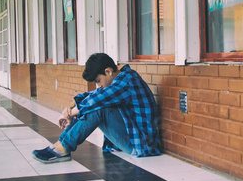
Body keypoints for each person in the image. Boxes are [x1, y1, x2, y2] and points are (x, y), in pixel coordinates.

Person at [33, 53, 161, 163]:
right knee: (92, 104)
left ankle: (63, 147)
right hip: (131, 139)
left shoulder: (127, 80)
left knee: (99, 108)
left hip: (141, 144)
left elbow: (96, 100)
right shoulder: (119, 79)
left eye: (98, 80)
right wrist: (69, 108)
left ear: (108, 71)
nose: (98, 85)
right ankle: (61, 145)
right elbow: (91, 95)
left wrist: (71, 113)